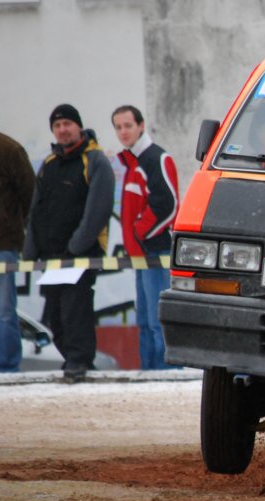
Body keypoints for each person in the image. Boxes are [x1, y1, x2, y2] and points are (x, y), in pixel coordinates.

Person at [23, 104, 113, 382]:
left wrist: (77, 245)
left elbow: (98, 209)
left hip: (79, 256)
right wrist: (31, 248)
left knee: (76, 311)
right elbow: (35, 208)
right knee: (55, 318)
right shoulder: (49, 165)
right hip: (50, 256)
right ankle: (74, 361)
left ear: (78, 126)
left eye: (67, 124)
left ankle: (79, 363)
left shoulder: (95, 160)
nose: (62, 130)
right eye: (57, 126)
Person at [112, 105, 180, 370]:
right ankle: (149, 372)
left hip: (156, 253)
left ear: (141, 125)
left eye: (128, 125)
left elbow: (168, 204)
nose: (123, 131)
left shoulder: (156, 158)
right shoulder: (132, 162)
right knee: (145, 321)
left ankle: (166, 373)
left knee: (157, 321)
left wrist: (139, 234)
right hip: (140, 256)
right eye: (118, 127)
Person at [0, 97, 35, 373]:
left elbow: (30, 194)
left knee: (2, 312)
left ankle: (6, 369)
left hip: (1, 245)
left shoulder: (7, 148)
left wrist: (19, 231)